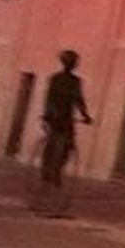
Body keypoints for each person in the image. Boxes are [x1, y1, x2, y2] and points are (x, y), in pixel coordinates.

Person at [32, 49, 91, 217]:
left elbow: (49, 100)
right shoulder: (75, 82)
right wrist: (86, 116)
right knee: (58, 161)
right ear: (73, 64)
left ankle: (43, 199)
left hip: (55, 123)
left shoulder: (55, 80)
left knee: (50, 160)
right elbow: (79, 101)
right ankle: (52, 201)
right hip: (63, 125)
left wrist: (48, 116)